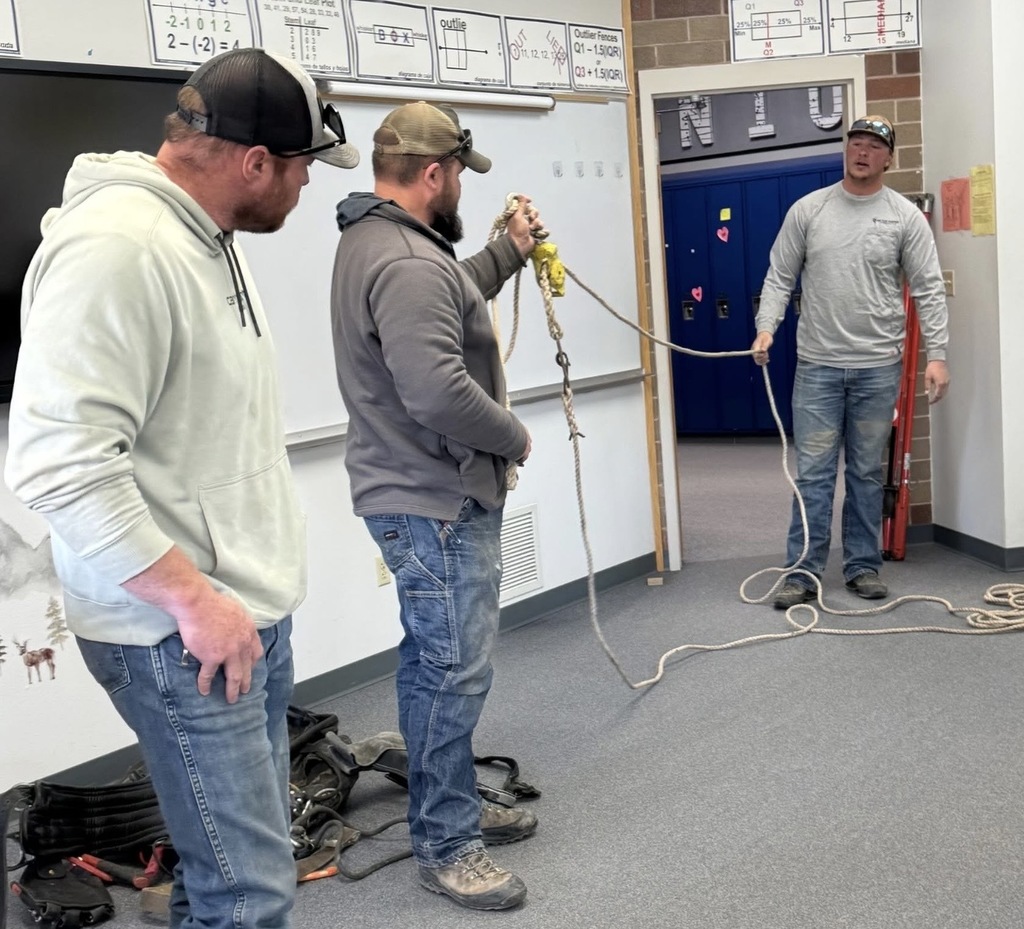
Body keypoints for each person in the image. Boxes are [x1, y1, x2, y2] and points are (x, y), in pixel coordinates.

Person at [4, 48, 359, 929]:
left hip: (231, 611)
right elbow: (59, 461)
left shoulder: (206, 238)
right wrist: (199, 602)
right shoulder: (119, 249)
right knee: (252, 894)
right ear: (254, 163)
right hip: (179, 630)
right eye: (305, 168)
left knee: (231, 866)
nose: (309, 186)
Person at [330, 101, 543, 911]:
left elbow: (448, 297)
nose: (459, 184)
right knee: (452, 670)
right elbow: (436, 387)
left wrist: (507, 252)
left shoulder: (378, 239)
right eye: (456, 172)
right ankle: (448, 841)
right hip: (436, 500)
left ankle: (446, 801)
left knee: (434, 661)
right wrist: (513, 434)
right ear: (433, 174)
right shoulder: (411, 261)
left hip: (415, 492)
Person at [750, 114, 950, 610]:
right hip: (817, 365)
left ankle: (863, 566)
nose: (861, 151)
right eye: (854, 142)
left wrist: (938, 356)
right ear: (846, 150)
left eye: (872, 146)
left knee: (864, 473)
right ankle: (803, 572)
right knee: (814, 474)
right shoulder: (809, 210)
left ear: (888, 157)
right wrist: (765, 325)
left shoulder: (904, 217)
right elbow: (779, 276)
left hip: (877, 367)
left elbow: (928, 288)